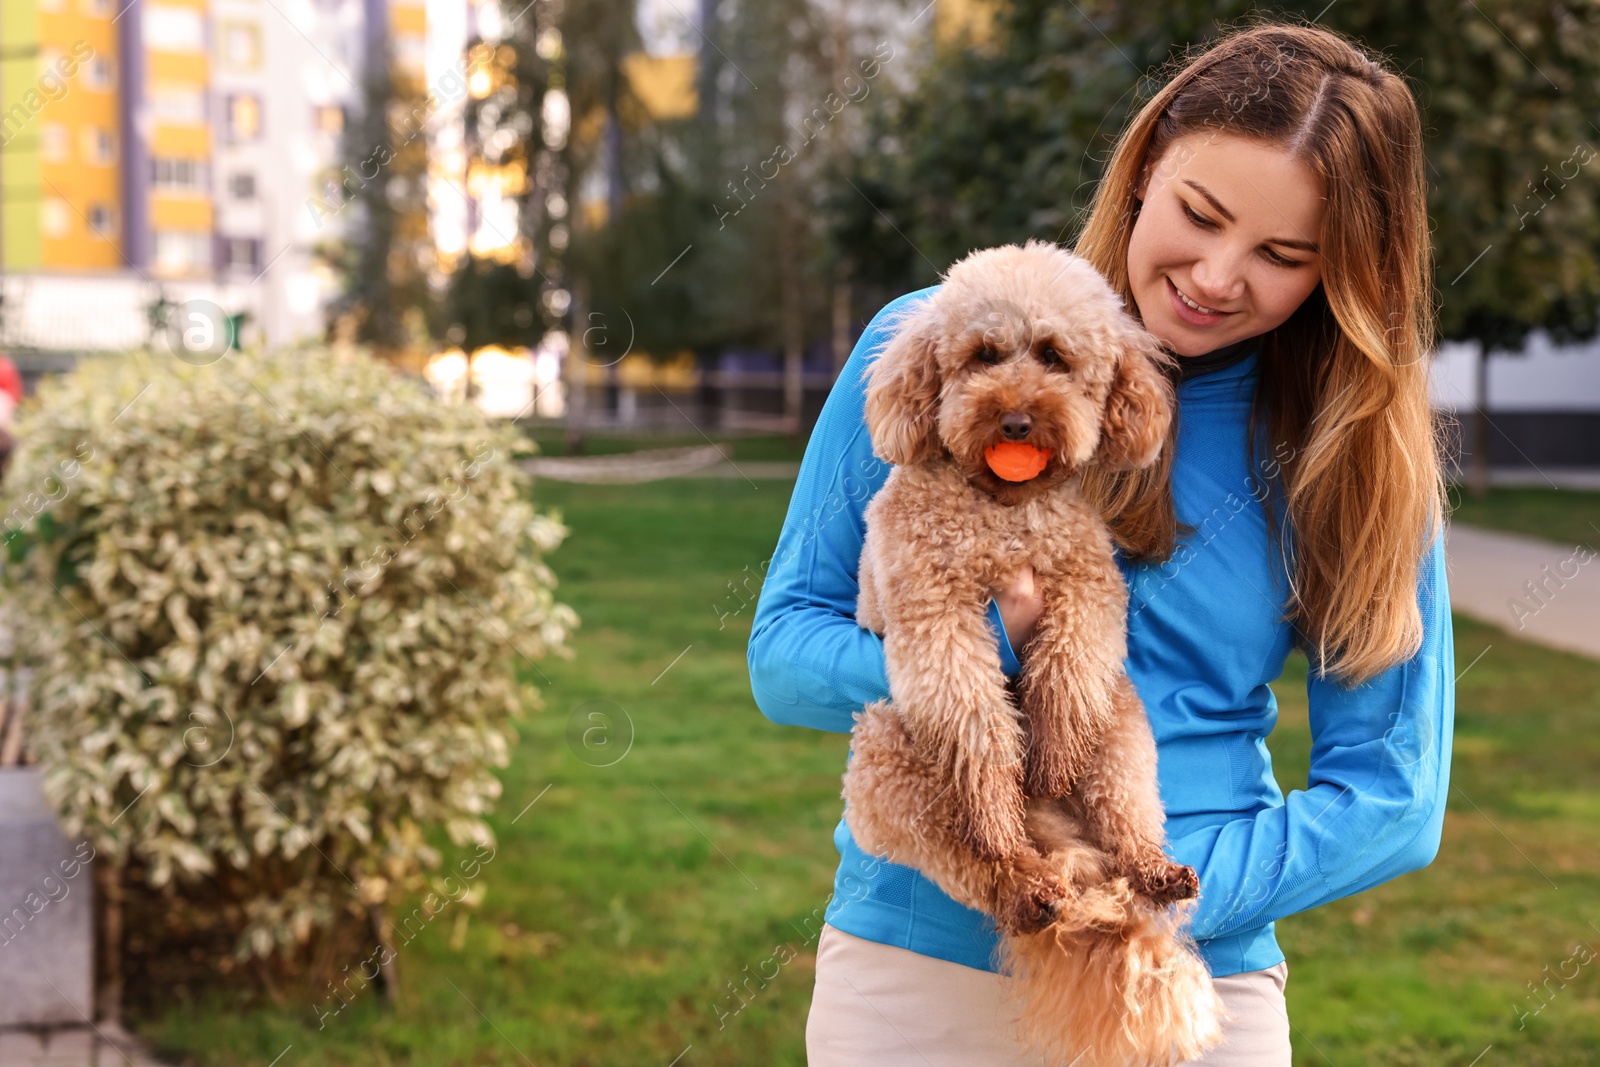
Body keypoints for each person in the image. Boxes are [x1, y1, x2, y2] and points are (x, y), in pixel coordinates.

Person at [745, 21, 1455, 1067]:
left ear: (1342, 269)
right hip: (920, 973)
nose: (1216, 276)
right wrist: (972, 654)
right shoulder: (935, 340)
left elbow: (1394, 800)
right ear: (1146, 163)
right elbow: (784, 653)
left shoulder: (1343, 453)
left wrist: (1142, 885)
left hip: (1185, 982)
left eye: (1281, 255)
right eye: (1198, 214)